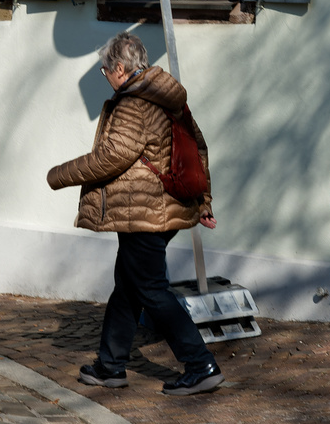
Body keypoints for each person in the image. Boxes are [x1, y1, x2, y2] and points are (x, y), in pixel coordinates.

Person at [46, 31, 223, 396]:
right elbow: (196, 148)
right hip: (164, 206)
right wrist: (203, 201)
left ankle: (200, 364)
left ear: (120, 68)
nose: (105, 76)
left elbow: (113, 156)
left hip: (143, 211)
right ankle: (110, 365)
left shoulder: (133, 103)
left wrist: (58, 175)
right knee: (129, 285)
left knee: (151, 288)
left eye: (105, 70)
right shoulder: (168, 96)